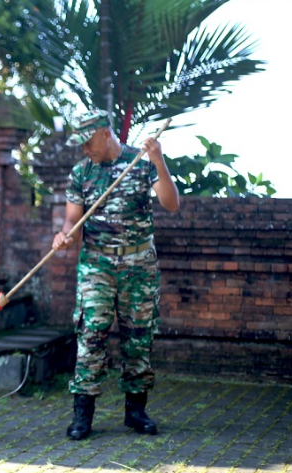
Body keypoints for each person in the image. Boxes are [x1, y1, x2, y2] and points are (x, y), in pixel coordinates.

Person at [52, 110, 180, 441]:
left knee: (138, 336)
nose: (84, 150)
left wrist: (159, 161)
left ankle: (136, 411)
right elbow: (72, 221)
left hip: (139, 263)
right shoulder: (81, 173)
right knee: (91, 333)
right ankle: (83, 414)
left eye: (87, 142)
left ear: (105, 133)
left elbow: (171, 203)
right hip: (97, 264)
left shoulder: (141, 162)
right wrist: (65, 235)